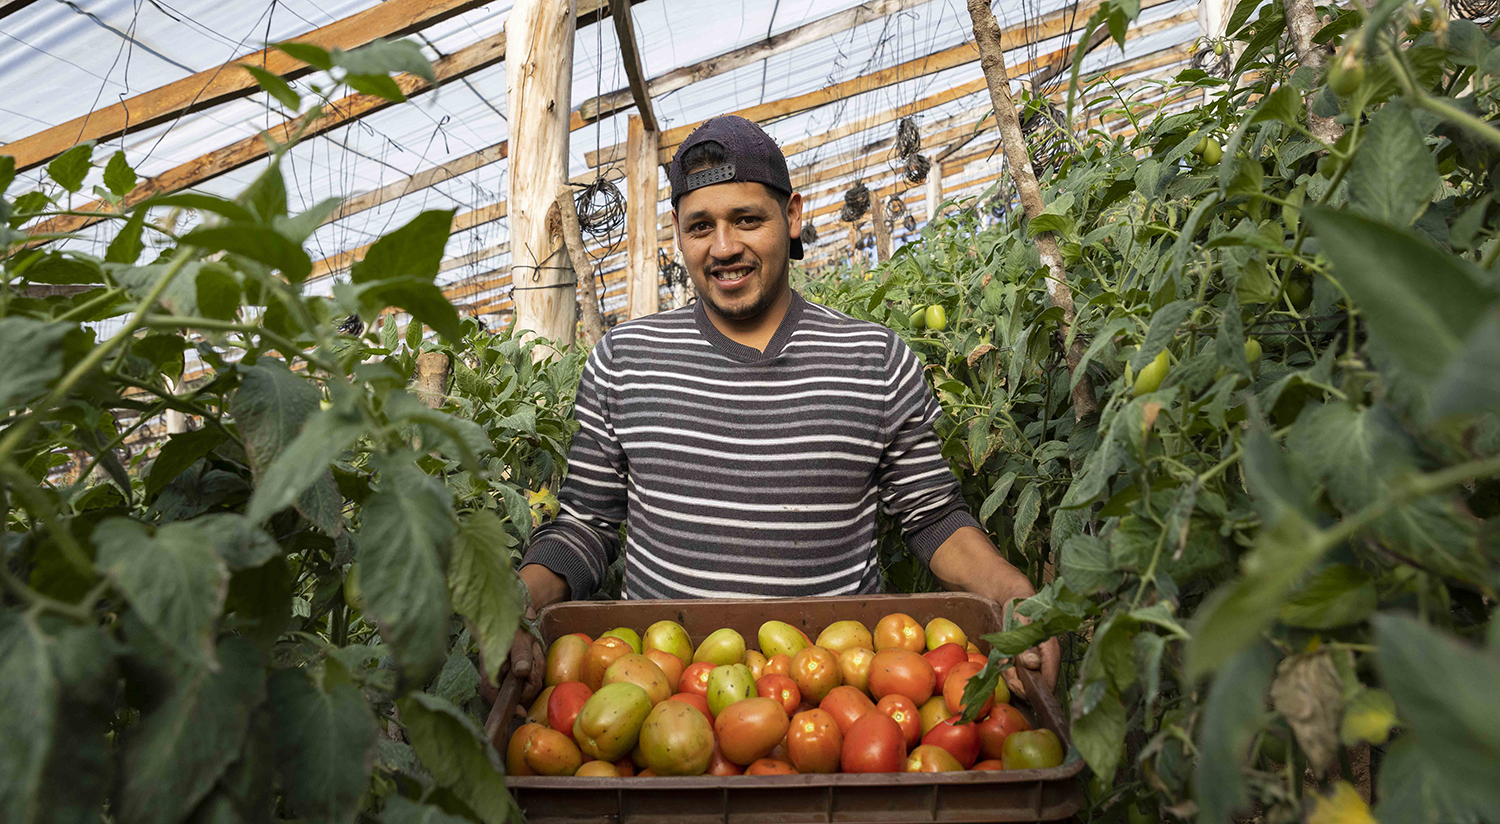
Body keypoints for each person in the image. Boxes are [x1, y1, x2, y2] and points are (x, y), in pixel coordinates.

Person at [495, 115, 1059, 714]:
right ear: (678, 236)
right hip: (662, 694)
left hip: (833, 695)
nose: (723, 247)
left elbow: (932, 516)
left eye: (746, 220)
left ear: (790, 217)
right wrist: (516, 603)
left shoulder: (873, 359)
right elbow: (586, 526)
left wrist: (1009, 591)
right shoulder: (624, 363)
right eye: (700, 227)